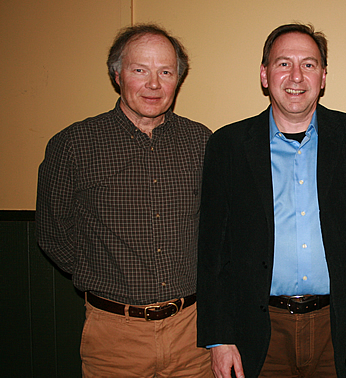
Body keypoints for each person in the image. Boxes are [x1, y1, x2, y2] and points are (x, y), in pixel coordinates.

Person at [197, 23, 346, 378]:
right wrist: (219, 339)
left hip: (340, 329)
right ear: (264, 74)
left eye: (309, 64)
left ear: (322, 77)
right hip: (257, 332)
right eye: (283, 63)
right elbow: (214, 253)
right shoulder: (227, 145)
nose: (296, 76)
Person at [36, 24, 213, 377]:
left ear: (178, 79)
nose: (153, 84)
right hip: (113, 336)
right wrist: (103, 276)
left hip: (192, 333)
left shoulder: (202, 142)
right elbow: (53, 235)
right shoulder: (73, 145)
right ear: (117, 75)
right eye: (139, 70)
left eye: (165, 72)